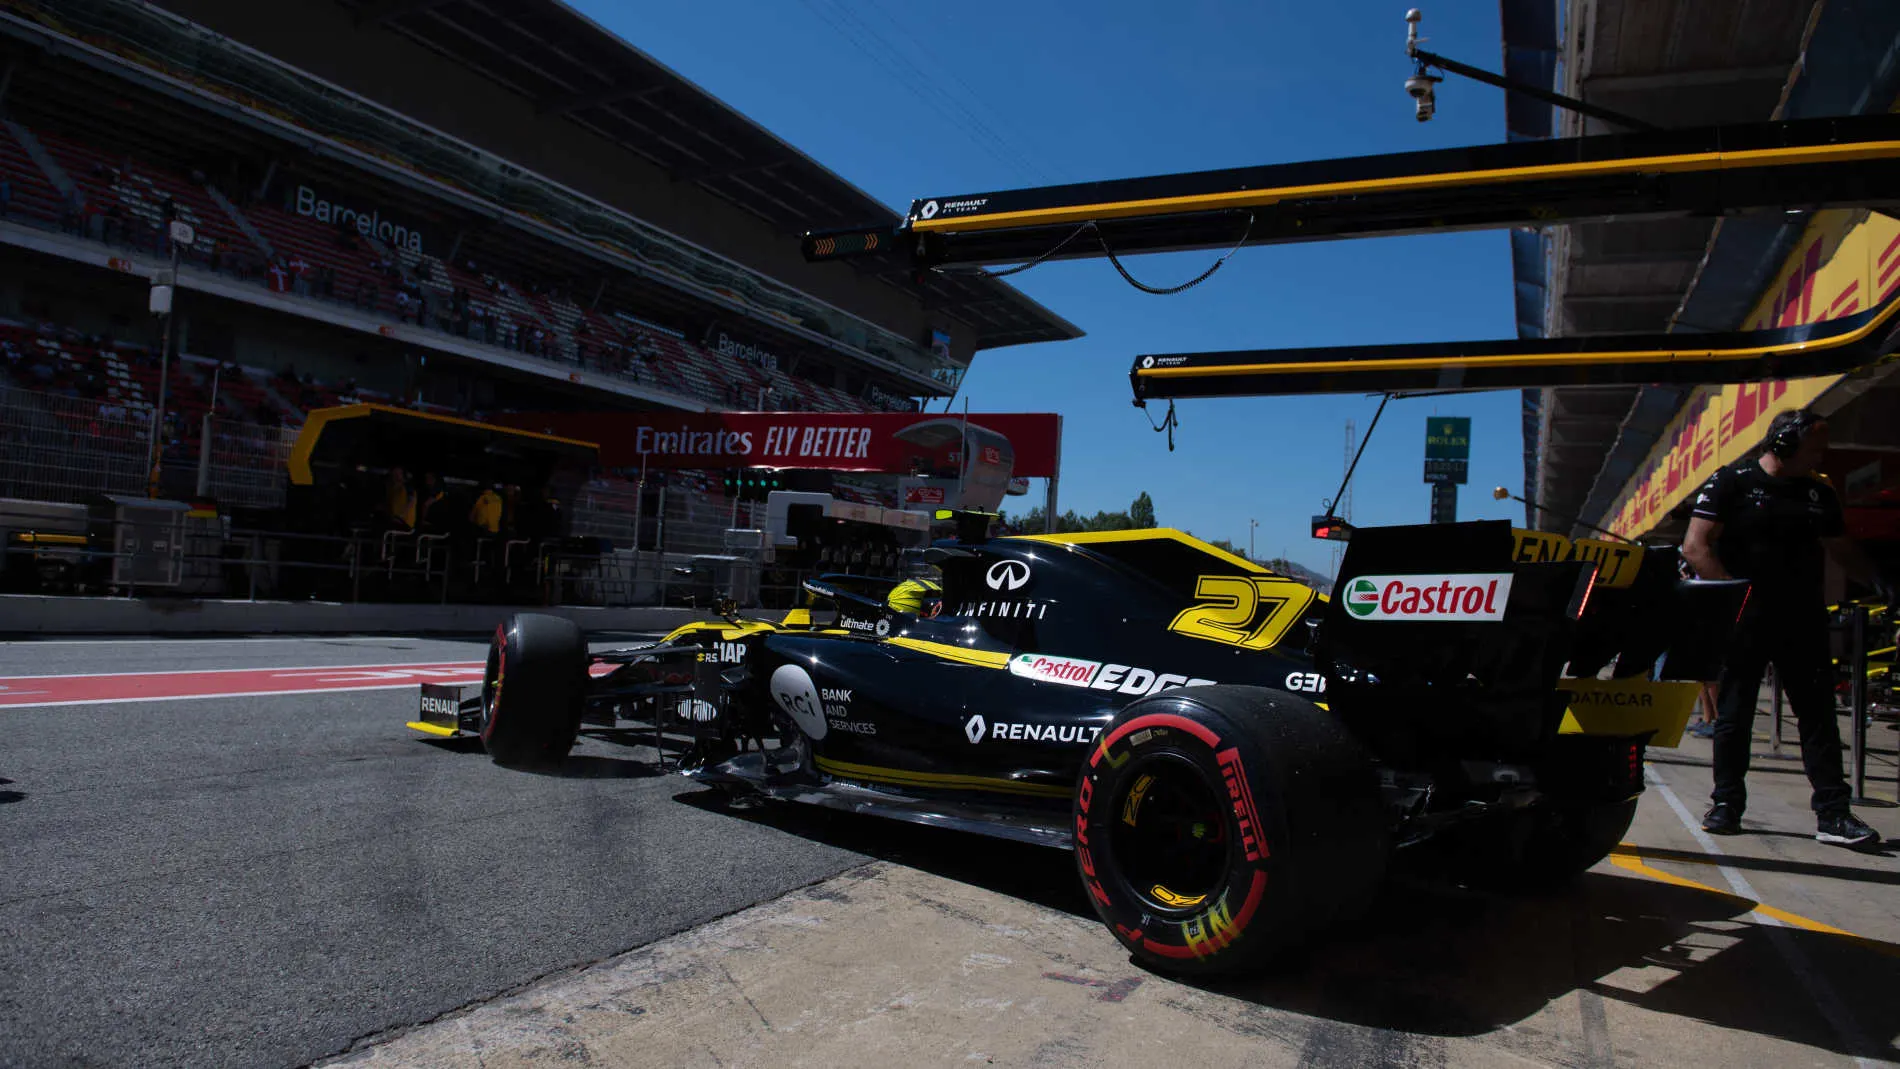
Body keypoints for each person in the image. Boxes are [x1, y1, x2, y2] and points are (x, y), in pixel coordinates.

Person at [1680, 409, 1889, 849]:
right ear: (1784, 444)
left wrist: (1877, 580)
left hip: (1803, 618)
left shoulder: (1818, 491)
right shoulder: (1731, 482)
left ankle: (1833, 814)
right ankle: (1726, 806)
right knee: (1733, 715)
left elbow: (1839, 547)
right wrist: (1732, 598)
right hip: (1745, 619)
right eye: (1814, 448)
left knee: (1817, 717)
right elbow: (1696, 546)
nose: (1820, 455)